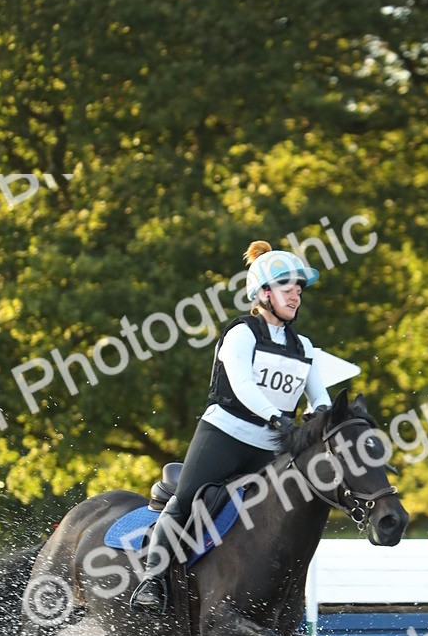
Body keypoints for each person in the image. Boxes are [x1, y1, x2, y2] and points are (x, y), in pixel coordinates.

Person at [130, 239, 336, 612]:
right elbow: (243, 387)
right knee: (187, 498)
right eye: (287, 287)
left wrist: (321, 418)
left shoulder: (303, 347)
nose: (296, 296)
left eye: (299, 289)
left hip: (270, 448)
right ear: (263, 293)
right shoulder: (240, 333)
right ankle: (152, 579)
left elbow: (320, 397)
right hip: (225, 437)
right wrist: (278, 417)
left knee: (283, 513)